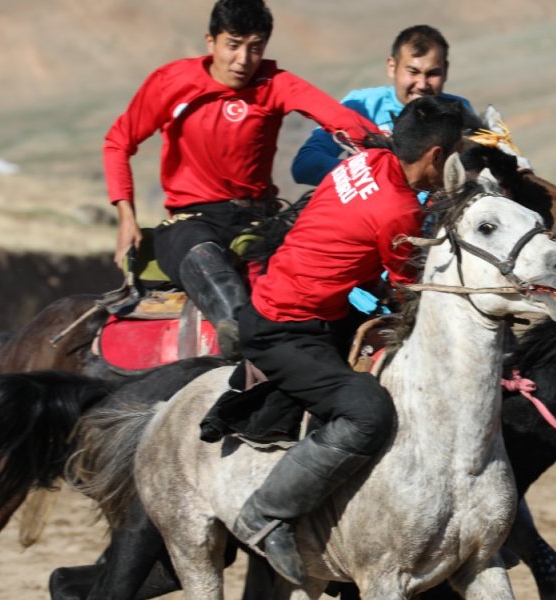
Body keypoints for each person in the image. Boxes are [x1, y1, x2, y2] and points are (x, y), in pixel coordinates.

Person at [228, 95, 467, 586]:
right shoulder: (397, 211)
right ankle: (265, 512)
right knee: (369, 413)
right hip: (286, 330)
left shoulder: (370, 160)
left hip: (299, 309)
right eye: (456, 156)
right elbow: (409, 292)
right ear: (438, 158)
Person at [103, 0, 377, 357]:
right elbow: (118, 142)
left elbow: (339, 119)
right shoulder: (172, 82)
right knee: (201, 255)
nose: (243, 60)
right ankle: (241, 341)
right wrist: (126, 218)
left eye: (255, 47)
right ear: (211, 42)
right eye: (233, 45)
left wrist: (387, 146)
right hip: (193, 221)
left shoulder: (275, 83)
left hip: (260, 220)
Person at [290, 24, 473, 187]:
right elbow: (305, 165)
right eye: (413, 72)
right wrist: (373, 176)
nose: (422, 84)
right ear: (392, 67)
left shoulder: (458, 111)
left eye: (433, 73)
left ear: (446, 70)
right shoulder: (362, 106)